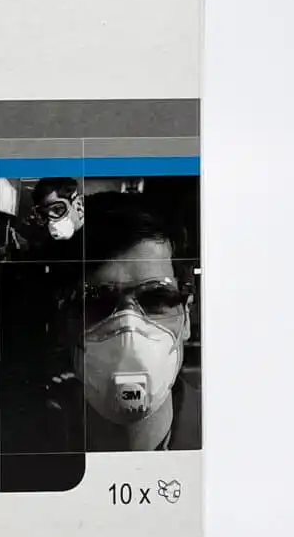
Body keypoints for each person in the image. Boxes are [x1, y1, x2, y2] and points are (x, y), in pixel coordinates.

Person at [51, 191, 201, 452]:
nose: (129, 329)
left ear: (186, 317)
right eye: (98, 302)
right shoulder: (17, 454)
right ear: (65, 323)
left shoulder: (235, 440)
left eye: (155, 300)